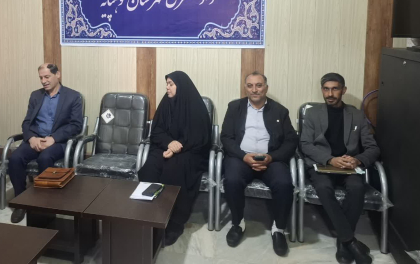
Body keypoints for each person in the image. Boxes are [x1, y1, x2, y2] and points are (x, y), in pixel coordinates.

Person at [300, 73, 380, 264]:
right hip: (322, 164)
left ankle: (343, 242)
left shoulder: (357, 115)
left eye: (335, 89)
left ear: (343, 90)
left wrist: (357, 160)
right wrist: (330, 159)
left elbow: (373, 148)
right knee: (324, 187)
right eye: (326, 89)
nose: (330, 94)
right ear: (322, 90)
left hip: (348, 166)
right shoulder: (312, 113)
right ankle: (349, 241)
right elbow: (305, 144)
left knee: (357, 187)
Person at [220, 71, 298, 256]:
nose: (254, 90)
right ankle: (238, 223)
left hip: (271, 159)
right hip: (241, 157)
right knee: (231, 180)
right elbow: (226, 137)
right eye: (250, 86)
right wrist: (243, 156)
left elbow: (291, 141)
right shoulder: (234, 107)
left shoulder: (280, 111)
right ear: (245, 88)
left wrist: (272, 157)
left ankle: (278, 229)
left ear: (266, 88)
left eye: (259, 85)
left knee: (284, 184)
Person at [138, 71, 212, 246]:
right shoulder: (166, 104)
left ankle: (174, 223)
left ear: (181, 85)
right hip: (166, 147)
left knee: (174, 171)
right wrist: (169, 143)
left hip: (191, 152)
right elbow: (156, 131)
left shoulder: (196, 106)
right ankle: (150, 216)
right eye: (167, 84)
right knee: (149, 168)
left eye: (171, 84)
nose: (167, 87)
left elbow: (201, 137)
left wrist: (179, 147)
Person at [9, 63, 83, 223]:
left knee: (45, 158)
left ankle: (46, 204)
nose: (43, 81)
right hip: (36, 138)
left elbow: (76, 125)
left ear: (58, 75)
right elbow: (27, 122)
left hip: (57, 141)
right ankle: (20, 202)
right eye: (41, 78)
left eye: (47, 77)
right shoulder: (36, 95)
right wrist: (31, 138)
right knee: (15, 158)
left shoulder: (73, 96)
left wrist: (53, 138)